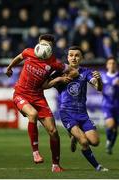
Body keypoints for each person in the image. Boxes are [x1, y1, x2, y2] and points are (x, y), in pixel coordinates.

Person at [6, 34, 77, 172]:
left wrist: (60, 79)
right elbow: (19, 57)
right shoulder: (29, 52)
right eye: (43, 44)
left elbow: (72, 71)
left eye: (48, 45)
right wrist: (9, 67)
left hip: (38, 97)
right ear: (39, 43)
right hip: (21, 94)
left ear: (51, 47)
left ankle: (56, 166)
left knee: (54, 131)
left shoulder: (54, 63)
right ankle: (35, 153)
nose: (45, 47)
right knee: (32, 114)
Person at [43, 46, 108, 171]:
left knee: (95, 142)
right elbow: (44, 86)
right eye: (71, 55)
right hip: (67, 112)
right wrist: (59, 79)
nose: (74, 57)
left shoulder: (86, 72)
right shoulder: (60, 72)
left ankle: (74, 136)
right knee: (83, 141)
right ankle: (98, 167)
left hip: (82, 113)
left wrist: (99, 80)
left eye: (77, 55)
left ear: (81, 58)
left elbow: (98, 87)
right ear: (67, 57)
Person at [101, 57, 119, 154]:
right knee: (111, 124)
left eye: (113, 63)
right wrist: (111, 84)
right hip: (106, 105)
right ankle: (108, 141)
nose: (112, 65)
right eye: (110, 63)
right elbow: (99, 89)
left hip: (117, 106)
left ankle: (110, 146)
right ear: (107, 65)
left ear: (116, 65)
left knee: (115, 129)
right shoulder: (103, 77)